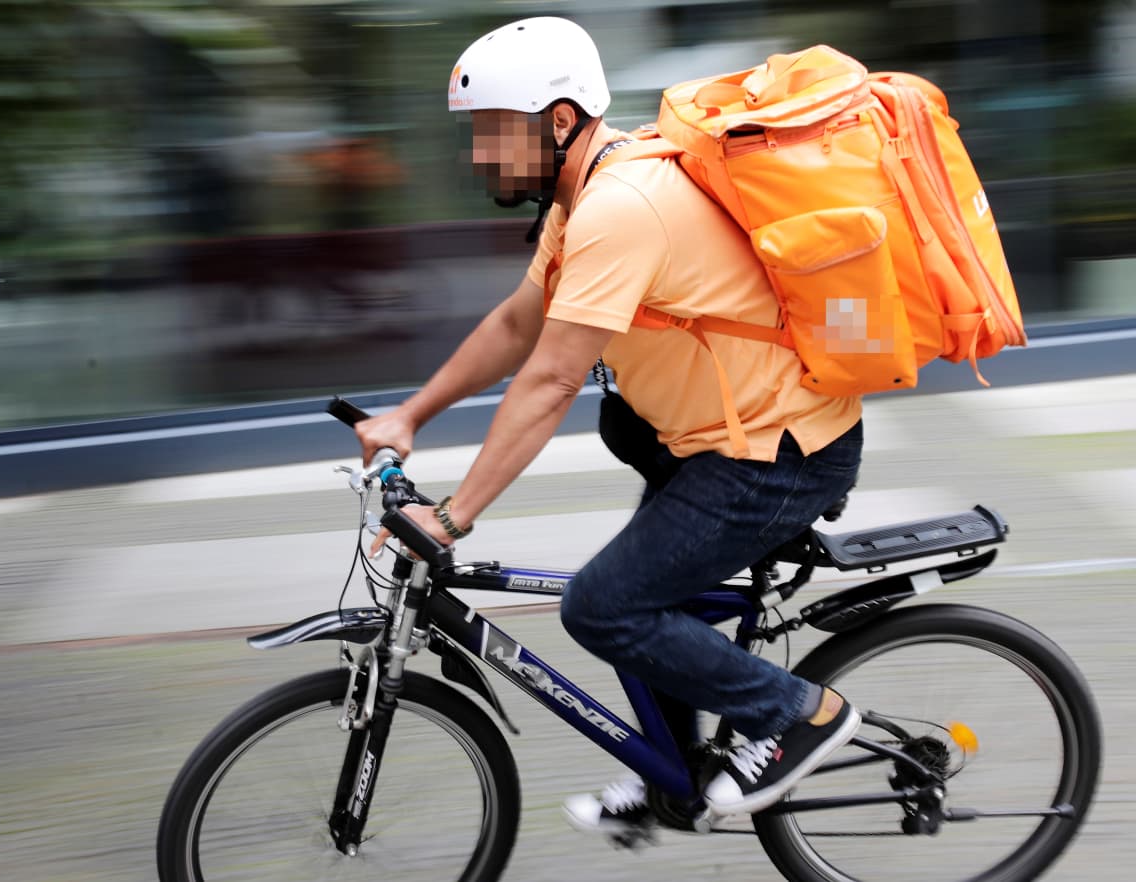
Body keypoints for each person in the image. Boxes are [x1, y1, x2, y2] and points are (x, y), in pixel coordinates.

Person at [353, 16, 863, 834]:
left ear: (559, 122)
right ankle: (674, 772)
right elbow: (521, 326)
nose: (479, 152)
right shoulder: (582, 196)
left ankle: (796, 714)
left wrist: (451, 516)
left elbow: (551, 377)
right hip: (705, 449)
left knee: (603, 605)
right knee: (650, 601)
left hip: (775, 455)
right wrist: (412, 415)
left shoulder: (623, 206)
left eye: (493, 130)